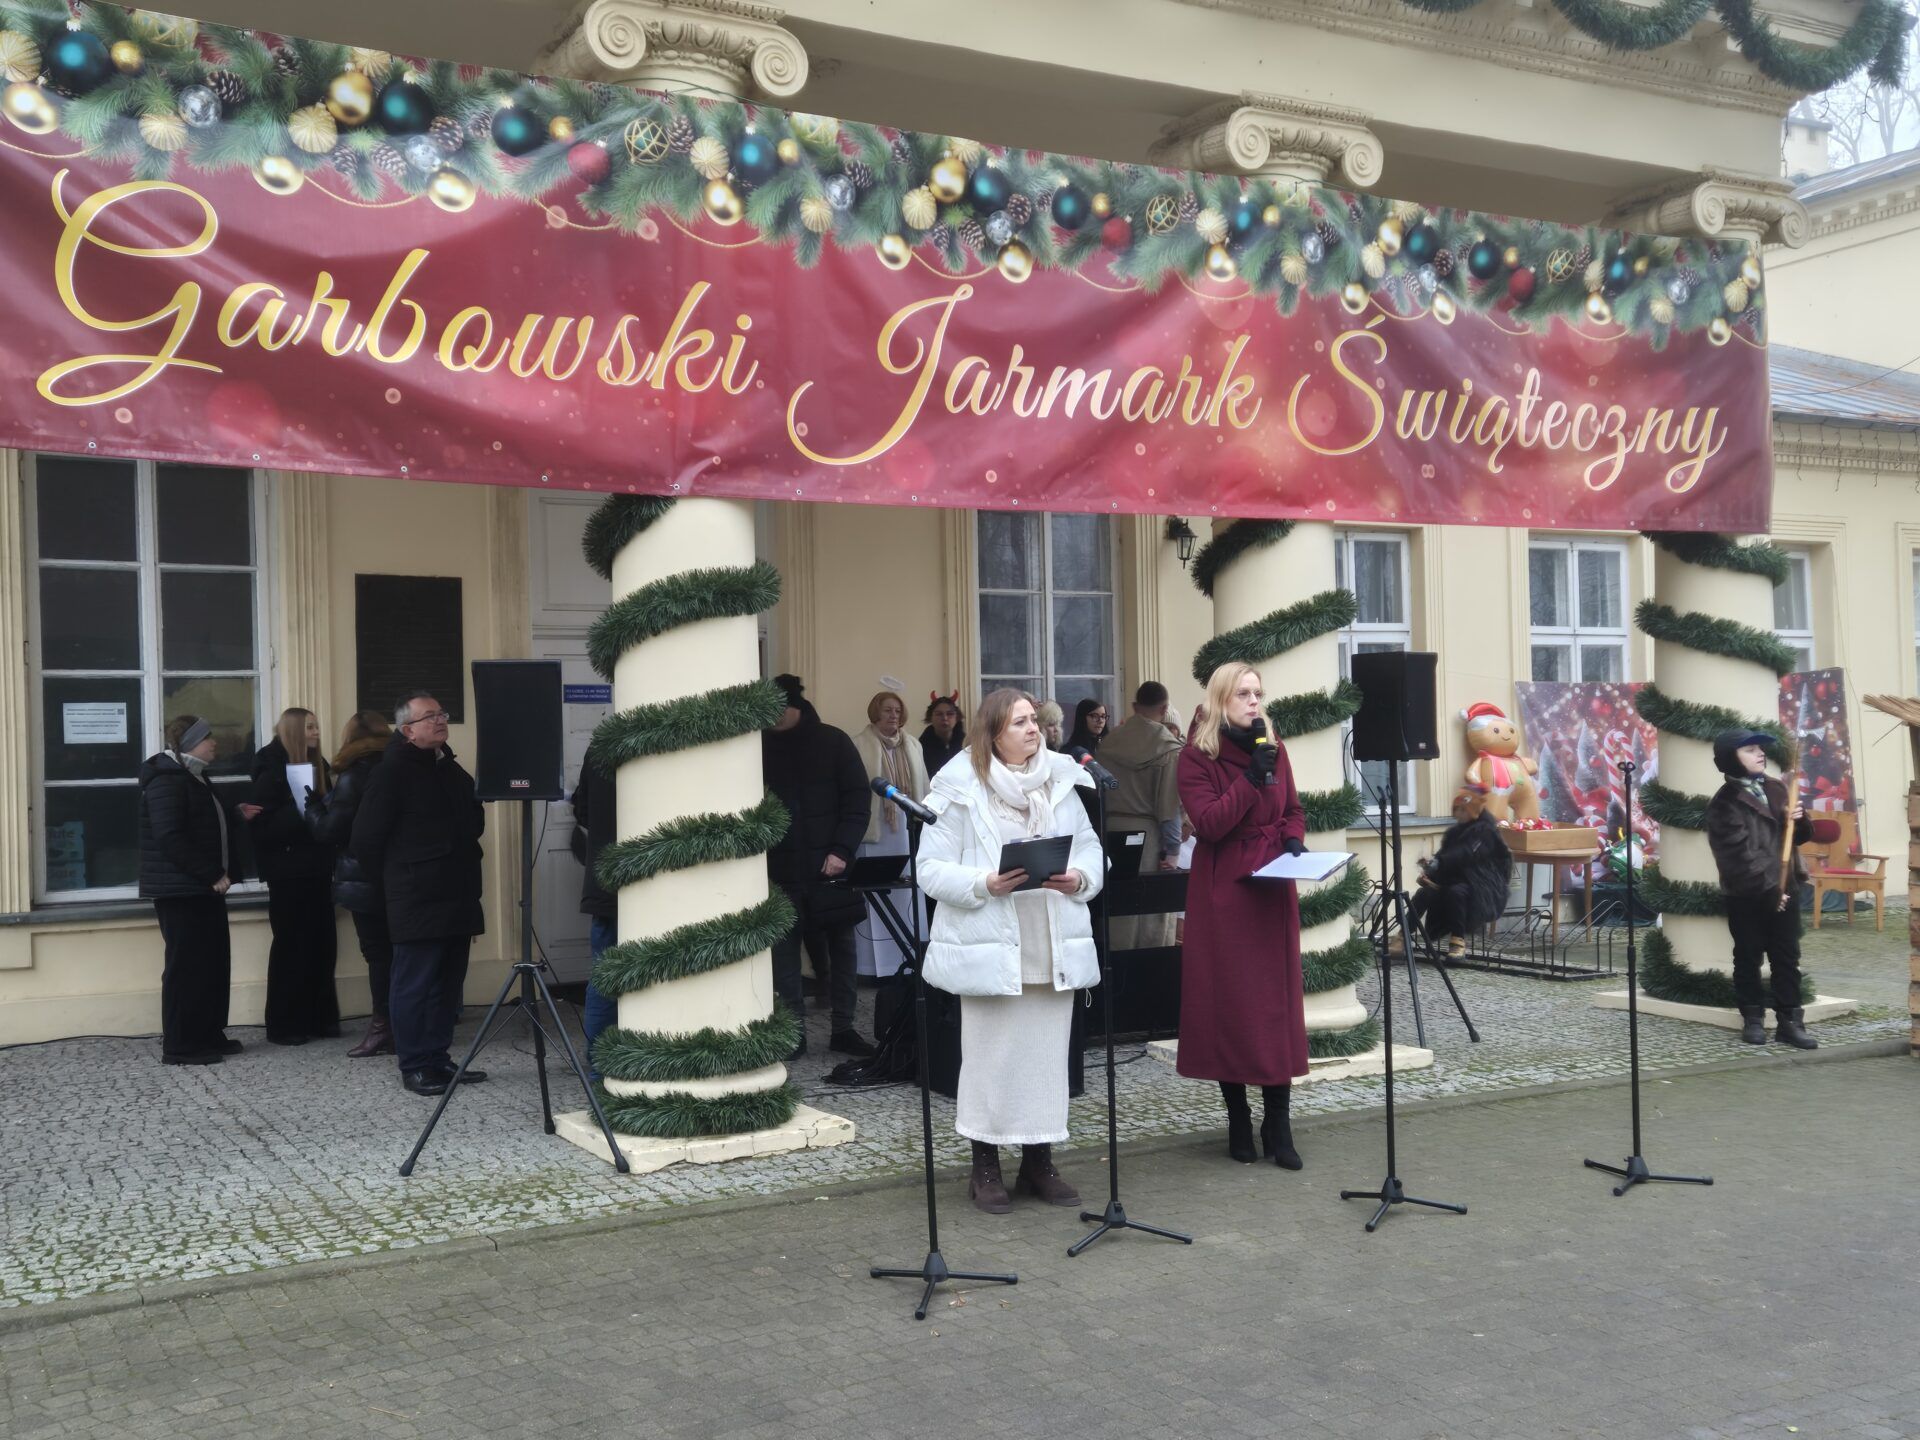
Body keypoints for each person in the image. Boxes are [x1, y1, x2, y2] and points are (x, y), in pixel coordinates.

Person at [918, 688, 1104, 1214]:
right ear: (993, 733)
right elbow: (929, 868)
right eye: (1020, 722)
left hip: (1051, 941)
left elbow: (1090, 848)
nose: (1033, 729)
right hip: (991, 946)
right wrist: (985, 883)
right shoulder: (959, 786)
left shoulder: (1062, 779)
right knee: (991, 1060)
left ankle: (1039, 1163)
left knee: (1045, 1060)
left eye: (1035, 721)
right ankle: (985, 1167)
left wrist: (1080, 876)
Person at [1176, 662, 1309, 1170]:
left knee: (1275, 1004)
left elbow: (1292, 807)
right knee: (1230, 1002)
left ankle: (1278, 1119)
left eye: (1258, 693)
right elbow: (1209, 824)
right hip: (1225, 888)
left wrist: (1294, 837)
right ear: (1220, 700)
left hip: (1273, 885)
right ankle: (1237, 1117)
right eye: (1243, 694)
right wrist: (1251, 780)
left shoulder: (1275, 748)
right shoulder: (1196, 756)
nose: (1254, 702)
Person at [351, 692, 488, 1096]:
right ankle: (414, 1064)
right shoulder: (391, 771)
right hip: (416, 897)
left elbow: (473, 819)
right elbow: (365, 840)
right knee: (415, 984)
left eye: (442, 714)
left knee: (448, 983)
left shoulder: (448, 767)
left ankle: (438, 1059)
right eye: (430, 717)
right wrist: (397, 882)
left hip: (456, 892)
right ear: (407, 730)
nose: (440, 721)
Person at [763, 674, 872, 1058]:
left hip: (831, 868)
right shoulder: (755, 747)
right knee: (784, 956)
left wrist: (842, 850)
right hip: (778, 869)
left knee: (842, 949)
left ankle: (844, 1028)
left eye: (779, 708)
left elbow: (857, 801)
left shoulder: (833, 741)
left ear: (796, 707)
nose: (772, 717)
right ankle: (793, 1035)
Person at [140, 715, 253, 1065]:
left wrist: (235, 814)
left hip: (202, 889)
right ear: (187, 743)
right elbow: (170, 836)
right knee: (186, 968)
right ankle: (181, 1046)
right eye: (206, 738)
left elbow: (201, 823)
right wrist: (210, 874)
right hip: (182, 891)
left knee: (212, 964)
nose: (214, 742)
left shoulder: (194, 777)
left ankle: (207, 1034)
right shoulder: (167, 780)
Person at [1706, 729, 1817, 1049]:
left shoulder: (1777, 787)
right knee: (1748, 955)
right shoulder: (1724, 803)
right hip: (1747, 894)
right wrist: (1769, 891)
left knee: (1786, 958)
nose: (1760, 754)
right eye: (1750, 750)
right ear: (1731, 759)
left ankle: (1790, 1022)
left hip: (1787, 887)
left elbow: (1797, 837)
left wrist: (1799, 818)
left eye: (1760, 749)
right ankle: (1753, 1019)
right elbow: (1735, 857)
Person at [306, 710, 396, 1058]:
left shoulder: (353, 773)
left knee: (378, 954)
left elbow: (332, 830)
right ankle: (402, 1025)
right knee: (402, 953)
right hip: (402, 875)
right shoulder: (399, 766)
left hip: (364, 878)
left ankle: (382, 1028)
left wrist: (313, 808)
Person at [248, 708, 340, 1046]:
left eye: (317, 725)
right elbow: (261, 826)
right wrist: (304, 812)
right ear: (295, 731)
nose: (317, 732)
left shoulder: (319, 764)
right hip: (287, 870)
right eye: (310, 727)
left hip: (317, 866)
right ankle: (286, 1023)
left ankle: (320, 1018)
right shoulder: (270, 768)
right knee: (292, 945)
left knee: (322, 944)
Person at [850, 690, 930, 980]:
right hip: (875, 830)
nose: (893, 715)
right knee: (876, 893)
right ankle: (875, 968)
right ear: (875, 713)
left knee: (907, 891)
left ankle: (911, 959)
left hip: (906, 825)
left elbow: (925, 785)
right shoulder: (859, 744)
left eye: (897, 710)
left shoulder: (913, 745)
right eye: (887, 710)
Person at [1100, 682, 1185, 949]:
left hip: (1108, 831)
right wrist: (1172, 852)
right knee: (1149, 915)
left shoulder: (1110, 741)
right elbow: (1168, 808)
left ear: (1135, 707)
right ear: (1164, 708)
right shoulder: (1168, 747)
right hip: (1148, 837)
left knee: (1116, 911)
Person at [569, 738, 620, 1075]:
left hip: (607, 882)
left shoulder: (603, 743)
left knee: (605, 978)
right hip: (651, 883)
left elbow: (582, 808)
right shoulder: (670, 739)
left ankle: (599, 1067)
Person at [920, 692, 966, 778]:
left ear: (957, 717)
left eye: (950, 714)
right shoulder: (920, 747)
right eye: (939, 714)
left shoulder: (967, 744)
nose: (945, 718)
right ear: (931, 717)